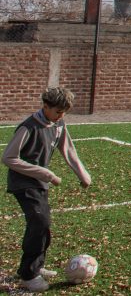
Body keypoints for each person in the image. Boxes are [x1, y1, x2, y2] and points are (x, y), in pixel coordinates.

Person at [3, 87, 92, 293]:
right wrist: (46, 173)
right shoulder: (28, 127)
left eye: (64, 113)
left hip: (39, 182)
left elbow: (67, 148)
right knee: (40, 222)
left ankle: (36, 266)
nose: (61, 116)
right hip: (23, 183)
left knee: (43, 224)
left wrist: (82, 173)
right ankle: (29, 275)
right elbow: (8, 157)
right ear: (45, 107)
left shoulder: (58, 123)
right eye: (58, 112)